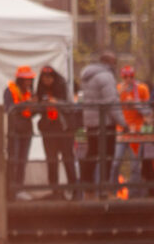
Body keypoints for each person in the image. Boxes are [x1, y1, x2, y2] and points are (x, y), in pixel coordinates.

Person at [80, 51, 127, 191]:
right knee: (107, 155)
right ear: (110, 62)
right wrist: (124, 123)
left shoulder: (88, 76)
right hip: (105, 123)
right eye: (115, 62)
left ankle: (87, 188)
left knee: (92, 153)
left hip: (90, 122)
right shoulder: (106, 76)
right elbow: (111, 102)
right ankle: (104, 189)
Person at [35, 66, 78, 197]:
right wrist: (40, 104)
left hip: (64, 129)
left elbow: (70, 106)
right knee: (51, 160)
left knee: (68, 158)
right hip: (48, 130)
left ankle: (74, 188)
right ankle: (55, 189)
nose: (46, 80)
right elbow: (37, 109)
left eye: (49, 77)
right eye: (44, 78)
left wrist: (56, 102)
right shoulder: (40, 89)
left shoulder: (63, 86)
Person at [112, 65, 152, 193]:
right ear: (121, 77)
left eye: (131, 76)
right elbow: (111, 106)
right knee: (115, 162)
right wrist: (119, 94)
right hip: (122, 130)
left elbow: (148, 111)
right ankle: (113, 190)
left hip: (137, 131)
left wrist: (136, 103)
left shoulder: (141, 89)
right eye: (125, 77)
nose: (128, 79)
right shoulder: (117, 89)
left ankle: (133, 193)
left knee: (135, 165)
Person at [3, 66, 36, 193]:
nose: (28, 82)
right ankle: (10, 189)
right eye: (26, 79)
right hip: (14, 131)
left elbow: (31, 113)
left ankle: (19, 188)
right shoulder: (10, 91)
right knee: (14, 160)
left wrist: (35, 106)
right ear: (20, 79)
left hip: (27, 130)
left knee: (23, 160)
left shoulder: (30, 92)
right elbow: (10, 109)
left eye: (30, 79)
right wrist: (27, 104)